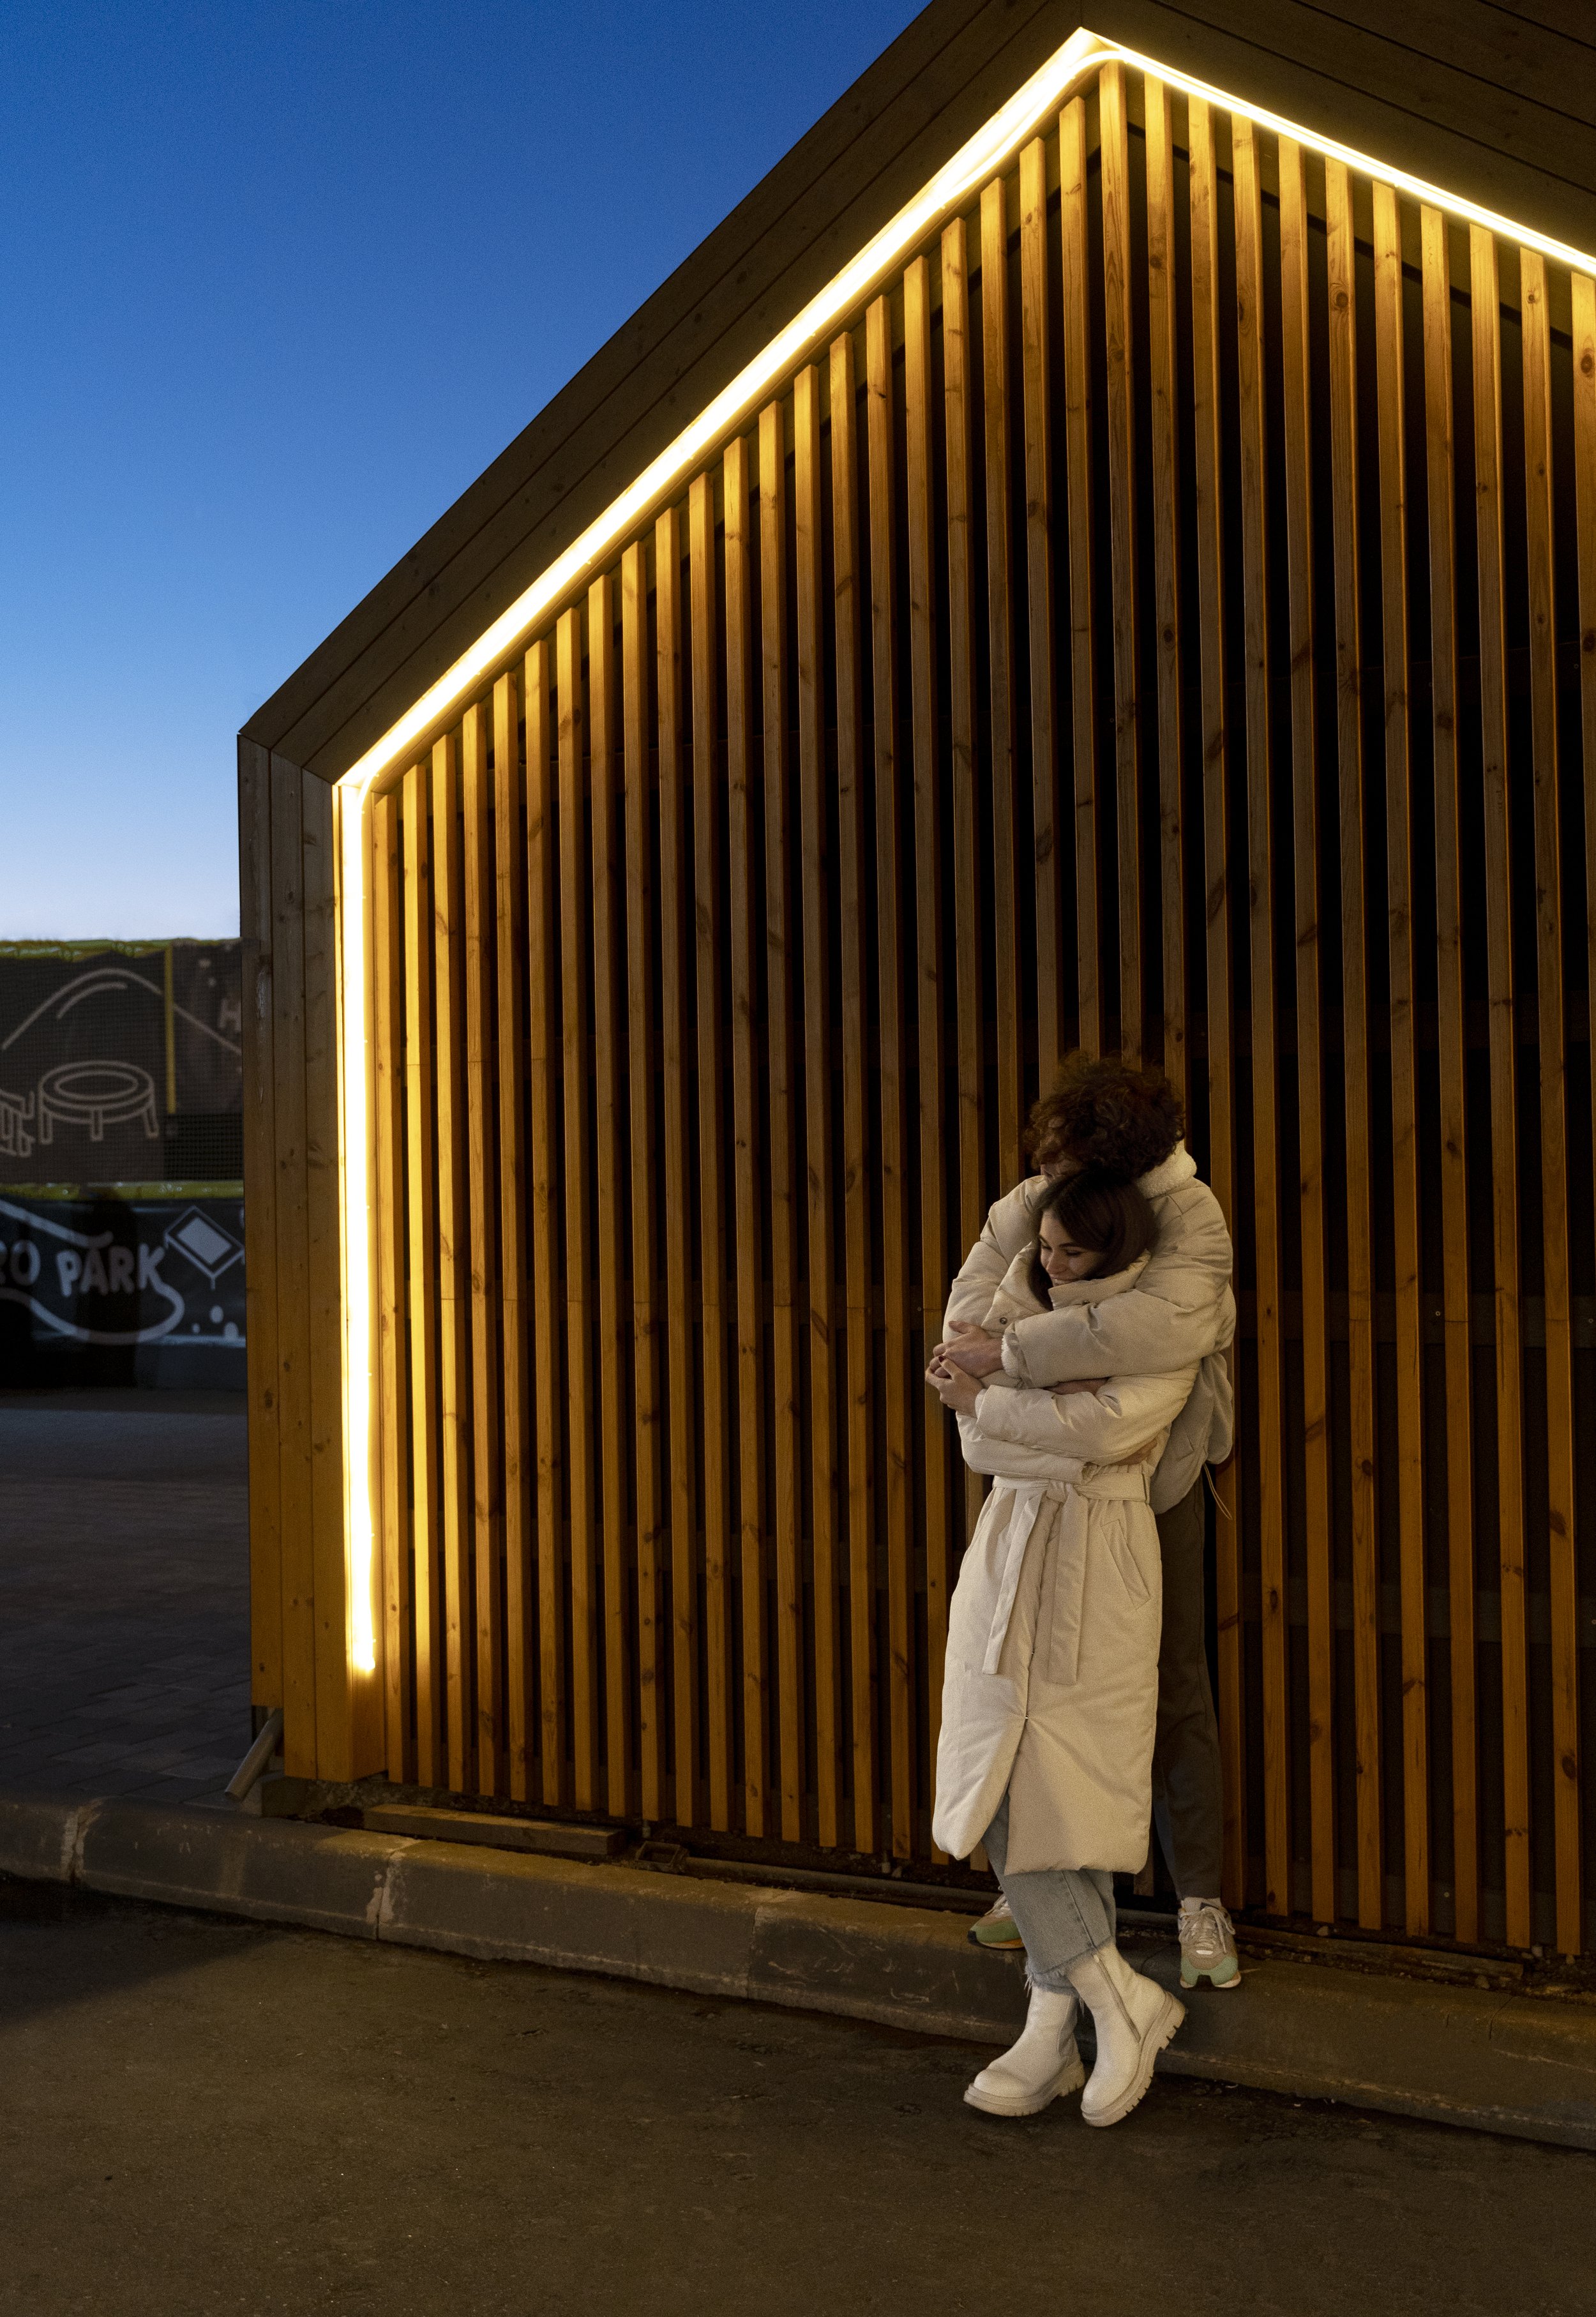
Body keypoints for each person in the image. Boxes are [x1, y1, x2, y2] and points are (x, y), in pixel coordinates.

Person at [937, 1054, 1240, 1993]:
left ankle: (1199, 1896)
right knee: (1029, 1688)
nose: (1049, 1174)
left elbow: (1153, 1343)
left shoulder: (1187, 1213)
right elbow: (961, 1332)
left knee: (1167, 1683)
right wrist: (1035, 1381)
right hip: (1036, 1487)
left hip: (1156, 1480)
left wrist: (1015, 1356)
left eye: (1071, 1157)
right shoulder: (1031, 1202)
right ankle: (1045, 1892)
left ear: (1119, 1164)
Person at [926, 1165, 1193, 2128]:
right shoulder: (1020, 1308)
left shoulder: (1156, 1326)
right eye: (1043, 1245)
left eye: (1071, 1252)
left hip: (1101, 1558)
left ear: (1118, 1250)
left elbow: (1109, 1432)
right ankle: (1096, 2001)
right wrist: (1025, 1411)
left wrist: (991, 1400)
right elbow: (988, 1447)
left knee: (1063, 1782)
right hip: (1012, 1544)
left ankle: (1070, 2012)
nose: (1047, 1263)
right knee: (997, 1767)